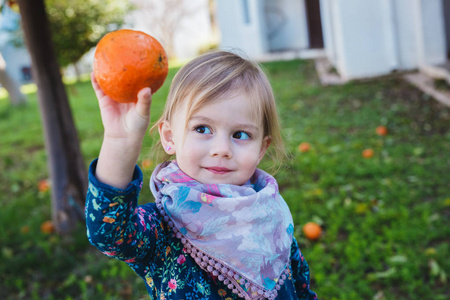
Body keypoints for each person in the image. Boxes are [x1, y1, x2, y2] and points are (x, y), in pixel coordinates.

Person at [86, 50, 317, 300]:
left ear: (262, 147)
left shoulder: (270, 212)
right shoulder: (164, 226)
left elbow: (299, 287)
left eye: (240, 134)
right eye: (202, 128)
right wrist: (119, 142)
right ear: (169, 137)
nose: (222, 150)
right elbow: (109, 233)